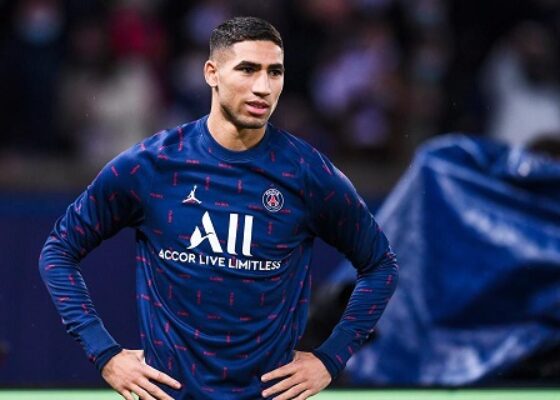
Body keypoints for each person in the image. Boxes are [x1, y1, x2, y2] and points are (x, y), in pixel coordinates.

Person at [39, 16, 399, 400]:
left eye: (274, 72)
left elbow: (380, 265)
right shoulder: (151, 166)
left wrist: (330, 358)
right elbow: (58, 251)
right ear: (211, 73)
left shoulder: (308, 173)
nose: (263, 87)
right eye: (247, 69)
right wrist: (105, 353)